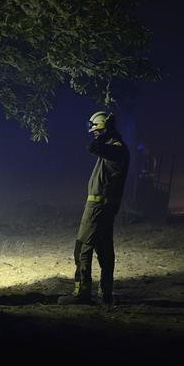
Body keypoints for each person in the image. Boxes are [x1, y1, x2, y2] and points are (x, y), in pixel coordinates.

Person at [58, 111, 129, 306]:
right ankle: (106, 294)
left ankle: (82, 293)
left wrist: (105, 132)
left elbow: (92, 147)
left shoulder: (116, 149)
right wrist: (106, 132)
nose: (93, 133)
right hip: (105, 207)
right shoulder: (116, 147)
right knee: (105, 250)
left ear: (105, 128)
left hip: (98, 206)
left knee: (82, 247)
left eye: (96, 129)